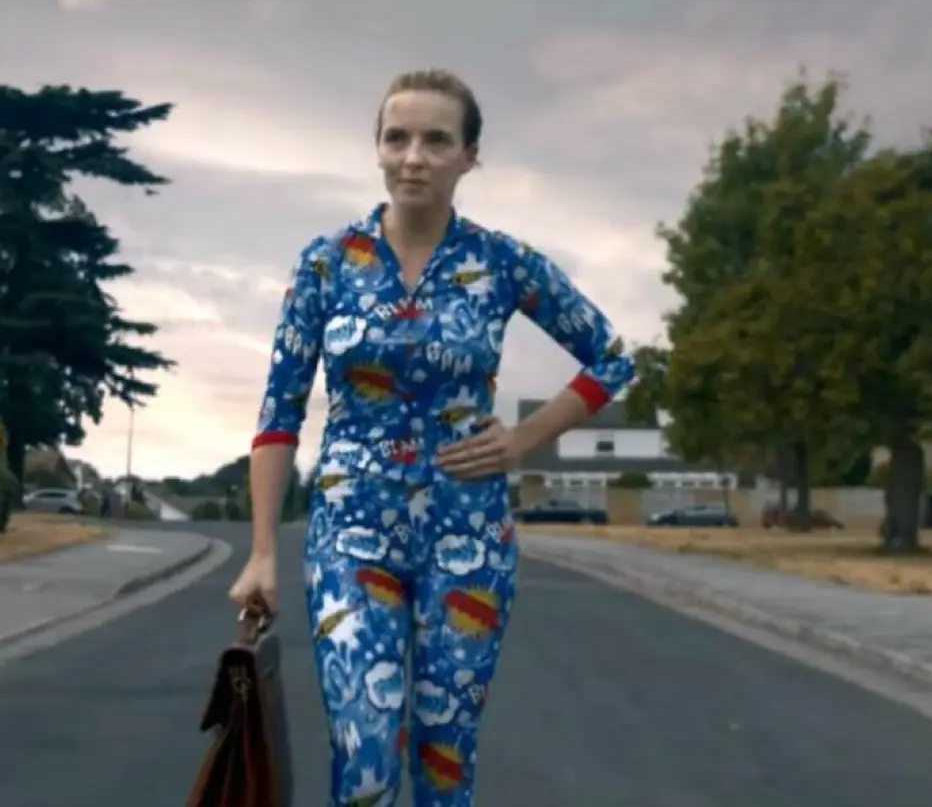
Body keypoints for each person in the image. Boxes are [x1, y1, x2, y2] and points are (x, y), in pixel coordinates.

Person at [228, 68, 635, 806]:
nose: (413, 157)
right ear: (378, 149)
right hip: (351, 533)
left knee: (445, 759)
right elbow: (279, 412)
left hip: (468, 535)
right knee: (366, 753)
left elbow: (610, 356)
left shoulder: (501, 263)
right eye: (397, 138)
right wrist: (261, 552)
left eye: (436, 140)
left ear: (469, 157)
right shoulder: (326, 263)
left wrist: (523, 440)